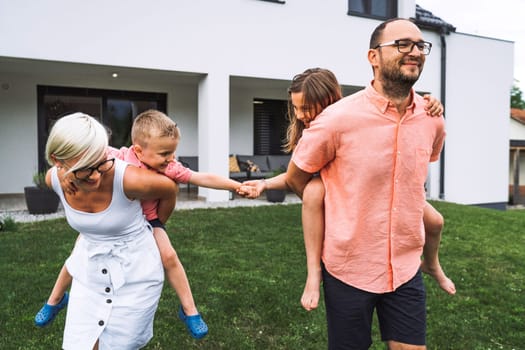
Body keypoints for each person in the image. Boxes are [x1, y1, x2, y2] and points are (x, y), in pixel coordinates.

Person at [285, 19, 447, 349]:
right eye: (402, 44)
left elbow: (417, 174)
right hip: (349, 269)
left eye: (419, 45)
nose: (414, 51)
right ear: (373, 56)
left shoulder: (433, 119)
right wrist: (334, 208)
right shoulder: (335, 120)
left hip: (405, 267)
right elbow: (296, 176)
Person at [241, 68, 454, 312]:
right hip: (336, 190)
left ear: (328, 100)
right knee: (313, 192)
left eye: (305, 108)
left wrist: (428, 102)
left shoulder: (348, 118)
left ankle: (432, 264)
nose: (300, 115)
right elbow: (294, 176)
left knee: (435, 221)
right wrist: (266, 183)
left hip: (372, 189)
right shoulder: (315, 130)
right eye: (296, 108)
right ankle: (313, 272)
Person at [35, 110, 251, 340]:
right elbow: (74, 155)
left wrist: (235, 187)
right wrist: (63, 172)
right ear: (138, 150)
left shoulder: (168, 167)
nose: (172, 158)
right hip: (103, 233)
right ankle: (55, 299)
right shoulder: (120, 155)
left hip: (148, 220)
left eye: (173, 152)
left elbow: (202, 178)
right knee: (77, 255)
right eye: (165, 153)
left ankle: (189, 310)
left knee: (169, 256)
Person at [41, 112, 177, 349]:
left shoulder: (130, 179)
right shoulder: (55, 179)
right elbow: (52, 173)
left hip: (135, 277)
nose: (96, 175)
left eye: (100, 161)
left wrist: (155, 224)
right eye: (86, 168)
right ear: (58, 160)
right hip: (88, 276)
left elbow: (169, 189)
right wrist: (63, 175)